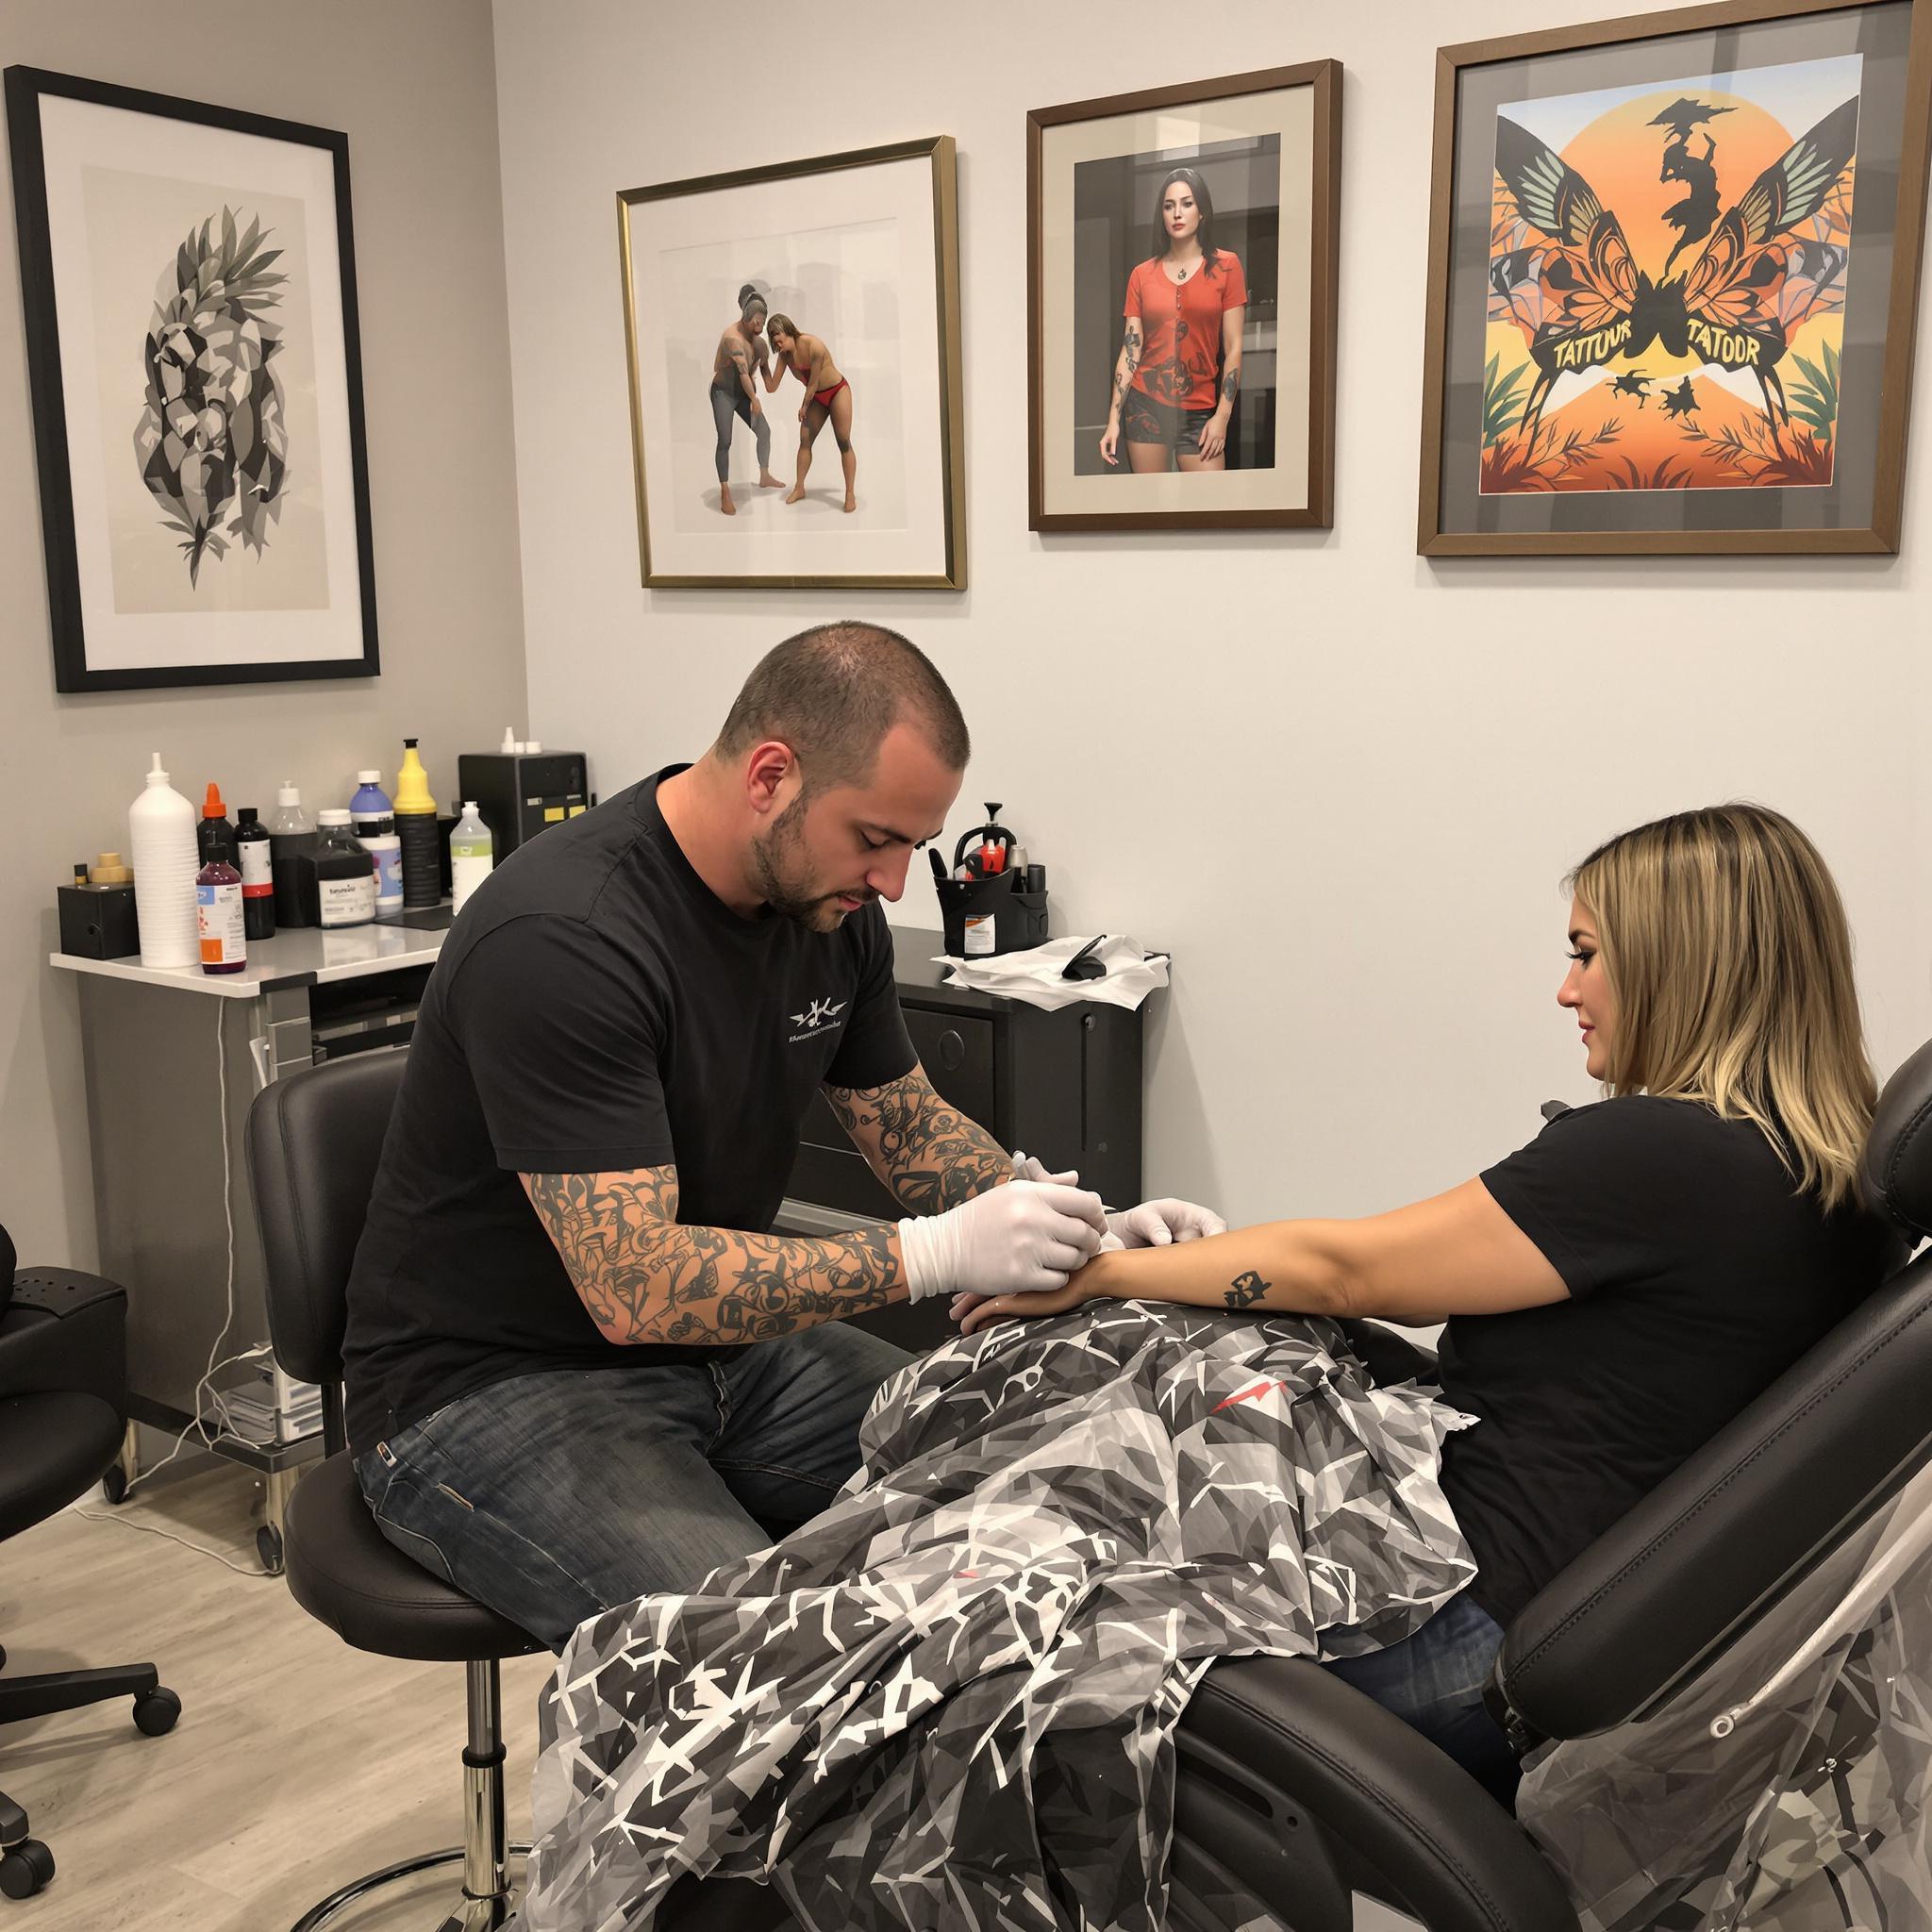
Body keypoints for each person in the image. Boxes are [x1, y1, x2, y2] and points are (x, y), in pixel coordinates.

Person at [956, 804, 1899, 1802]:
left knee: (1031, 1564)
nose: (1564, 988)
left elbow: (1345, 1269)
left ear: (1682, 962)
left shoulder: (1657, 1153)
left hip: (1450, 1626)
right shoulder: (1830, 1177)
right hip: (1563, 1616)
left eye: (1586, 954)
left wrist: (1099, 1269)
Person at [341, 622, 1218, 1650]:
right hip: (487, 1391)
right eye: (874, 838)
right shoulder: (567, 937)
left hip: (719, 1358)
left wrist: (1077, 1229)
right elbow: (637, 1285)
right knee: (775, 1661)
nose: (892, 883)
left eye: (910, 847)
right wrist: (932, 1252)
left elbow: (905, 1124)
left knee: (1050, 1471)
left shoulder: (827, 913)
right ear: (770, 775)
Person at [1098, 165, 1247, 475]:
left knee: (1210, 511)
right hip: (1145, 406)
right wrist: (1113, 419)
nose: (1177, 213)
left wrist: (1222, 416)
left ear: (1202, 211)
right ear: (1162, 215)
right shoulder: (1141, 275)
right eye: (1169, 206)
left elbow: (1233, 347)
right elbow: (1131, 350)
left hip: (1200, 410)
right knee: (1152, 511)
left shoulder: (1227, 266)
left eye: (1187, 203)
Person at [764, 313, 856, 511]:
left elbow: (813, 383)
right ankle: (799, 488)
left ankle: (850, 493)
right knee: (804, 439)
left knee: (843, 441)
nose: (776, 342)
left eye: (777, 336)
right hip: (816, 398)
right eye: (772, 338)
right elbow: (771, 387)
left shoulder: (814, 345)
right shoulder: (784, 356)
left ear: (787, 330)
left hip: (837, 391)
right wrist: (762, 363)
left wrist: (804, 406)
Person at [708, 284, 783, 515]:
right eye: (756, 321)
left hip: (742, 393)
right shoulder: (733, 338)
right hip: (723, 392)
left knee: (765, 431)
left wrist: (786, 362)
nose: (760, 325)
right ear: (746, 316)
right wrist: (754, 398)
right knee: (725, 440)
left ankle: (764, 474)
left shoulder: (760, 346)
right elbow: (742, 374)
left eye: (763, 321)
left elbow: (769, 383)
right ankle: (725, 490)